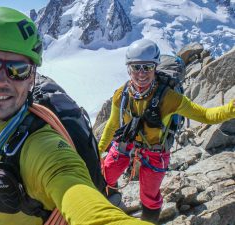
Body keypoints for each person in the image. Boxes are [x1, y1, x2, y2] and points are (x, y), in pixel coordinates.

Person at [0, 7, 153, 225]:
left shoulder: (43, 148)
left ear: (32, 78)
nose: (1, 81)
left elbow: (77, 191)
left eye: (18, 69)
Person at [98, 38, 235, 224]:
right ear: (128, 68)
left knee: (149, 196)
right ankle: (113, 204)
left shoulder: (169, 98)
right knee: (106, 173)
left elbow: (205, 115)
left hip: (156, 151)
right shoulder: (121, 95)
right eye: (136, 67)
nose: (141, 73)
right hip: (128, 139)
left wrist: (231, 109)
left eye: (147, 67)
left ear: (155, 67)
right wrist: (98, 151)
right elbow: (113, 125)